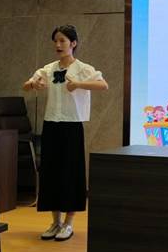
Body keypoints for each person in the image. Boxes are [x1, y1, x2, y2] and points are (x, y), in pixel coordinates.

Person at [23, 25, 108, 241]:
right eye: (55, 41)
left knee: (71, 172)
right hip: (51, 124)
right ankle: (55, 222)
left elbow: (103, 85)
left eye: (62, 41)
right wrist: (33, 84)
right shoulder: (49, 68)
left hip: (72, 126)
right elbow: (27, 85)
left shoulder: (82, 68)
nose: (58, 45)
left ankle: (69, 223)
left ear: (73, 43)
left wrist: (78, 83)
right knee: (51, 172)